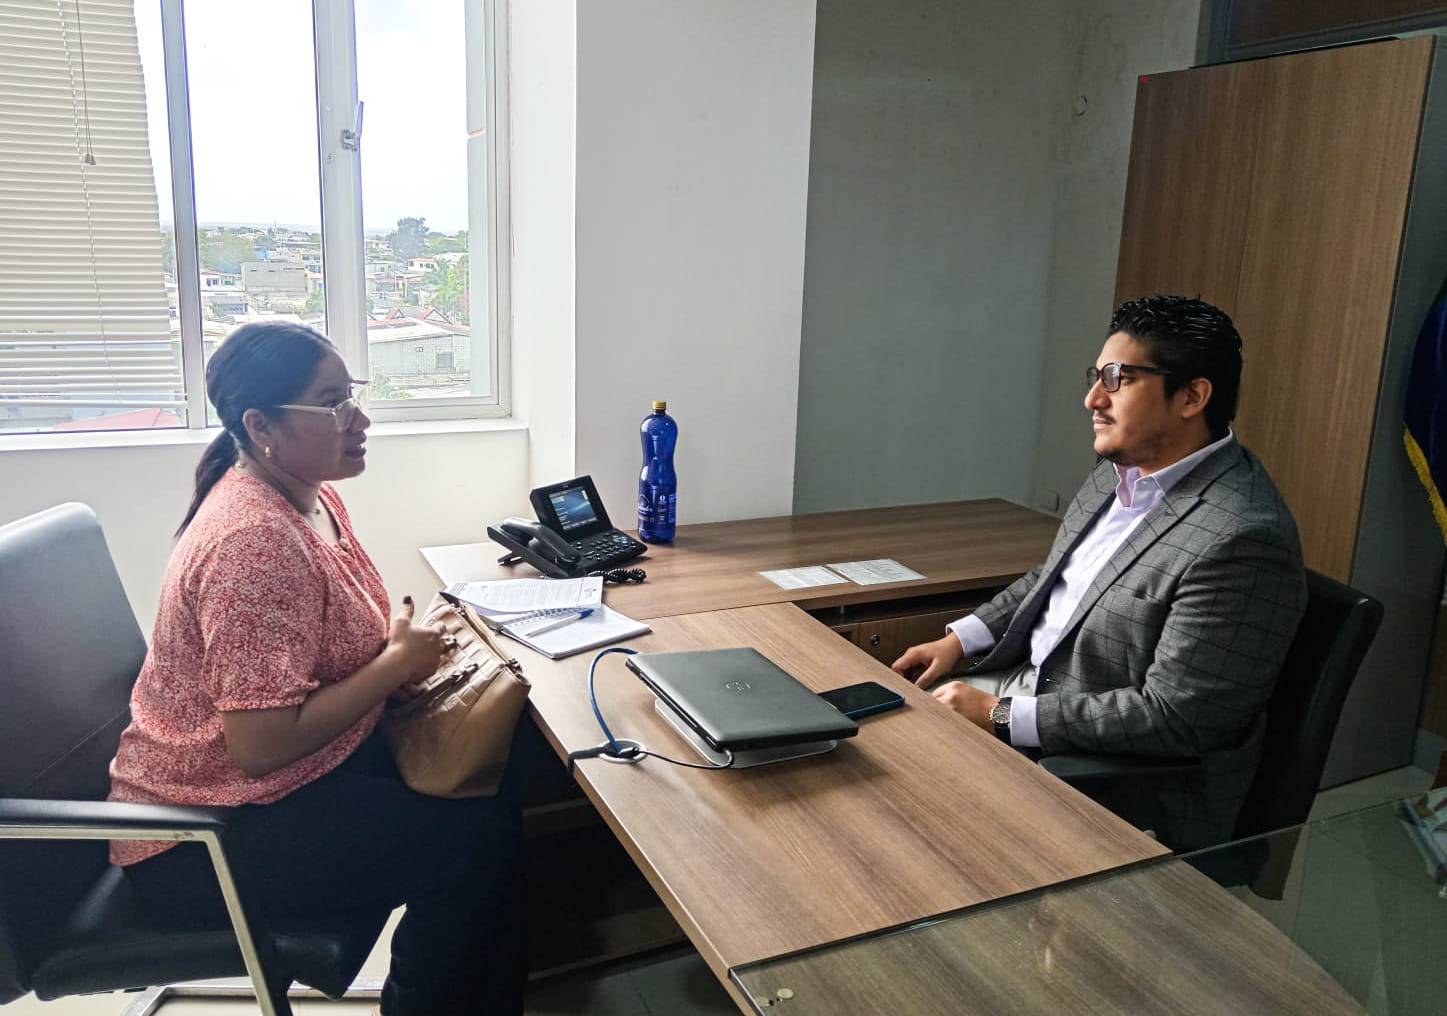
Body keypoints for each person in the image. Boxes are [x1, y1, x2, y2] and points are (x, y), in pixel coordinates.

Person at [107, 321, 524, 1015]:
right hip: (202, 834)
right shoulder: (252, 541)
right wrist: (391, 666)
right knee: (474, 844)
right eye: (332, 404)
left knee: (507, 773)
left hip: (287, 781)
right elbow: (260, 745)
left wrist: (392, 655)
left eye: (351, 396)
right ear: (260, 425)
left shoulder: (311, 495)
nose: (359, 420)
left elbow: (311, 650)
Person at [891, 295, 1307, 850]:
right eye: (1096, 377)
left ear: (1191, 397)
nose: (1093, 399)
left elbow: (1176, 718)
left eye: (1118, 379)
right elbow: (1056, 577)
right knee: (875, 740)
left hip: (1112, 773)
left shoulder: (1242, 537)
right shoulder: (1123, 469)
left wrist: (1000, 714)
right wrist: (959, 640)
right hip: (1033, 687)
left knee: (901, 807)